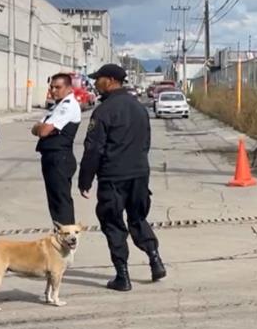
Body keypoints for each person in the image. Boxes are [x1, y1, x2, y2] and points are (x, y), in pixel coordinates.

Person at [78, 63, 166, 291]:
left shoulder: (104, 111)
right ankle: (155, 260)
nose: (96, 84)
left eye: (98, 79)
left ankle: (122, 276)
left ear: (110, 80)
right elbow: (146, 142)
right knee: (137, 218)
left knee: (113, 222)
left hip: (113, 177)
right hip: (139, 173)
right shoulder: (138, 107)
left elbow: (93, 148)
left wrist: (85, 179)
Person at [31, 73, 81, 225]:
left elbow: (43, 131)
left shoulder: (67, 105)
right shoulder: (56, 106)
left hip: (60, 158)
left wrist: (43, 128)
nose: (53, 90)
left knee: (61, 202)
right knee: (54, 202)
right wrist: (42, 128)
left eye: (58, 87)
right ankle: (60, 236)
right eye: (51, 87)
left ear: (68, 88)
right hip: (51, 157)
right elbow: (36, 129)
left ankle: (67, 239)